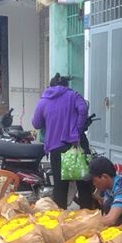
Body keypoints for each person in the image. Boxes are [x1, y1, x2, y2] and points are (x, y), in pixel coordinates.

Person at [32, 73, 93, 210]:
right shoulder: (73, 95)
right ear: (66, 85)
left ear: (51, 85)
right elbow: (83, 109)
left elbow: (36, 123)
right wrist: (77, 130)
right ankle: (87, 218)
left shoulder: (44, 100)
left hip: (56, 147)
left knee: (60, 186)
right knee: (83, 184)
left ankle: (61, 220)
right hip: (77, 144)